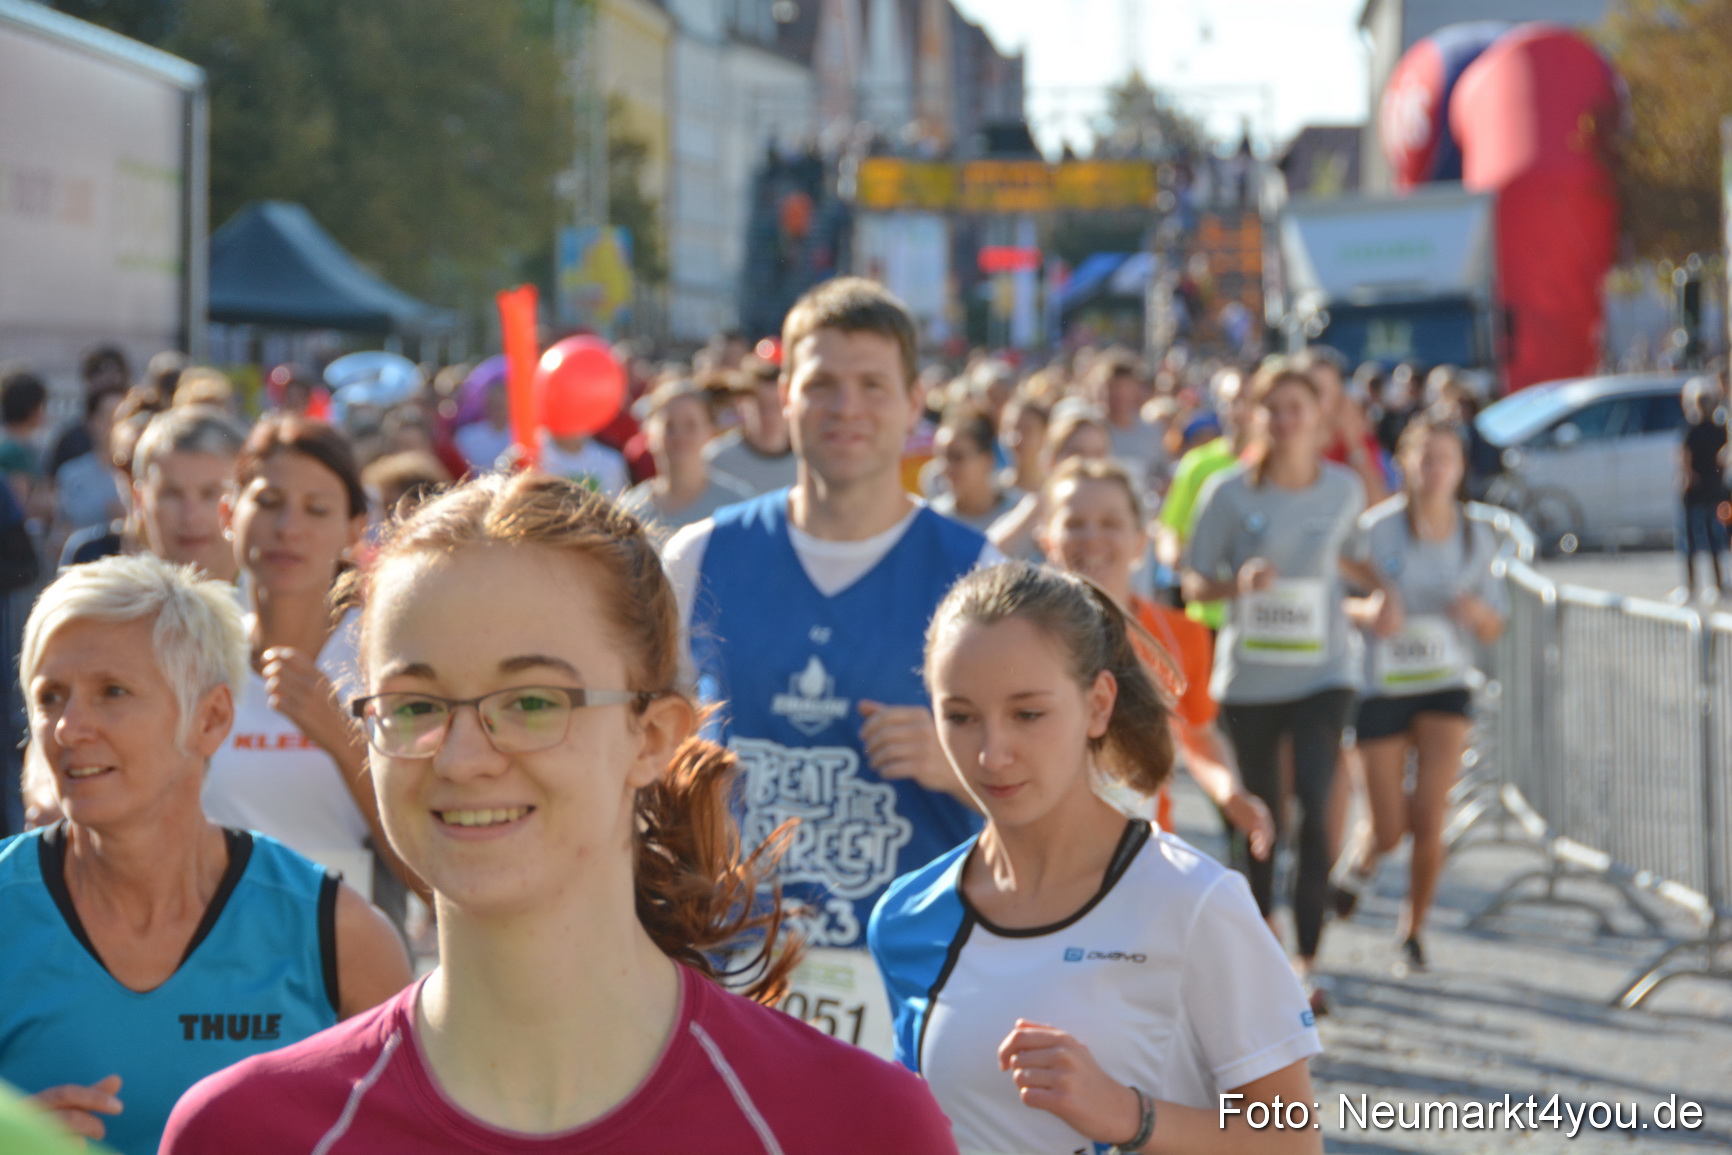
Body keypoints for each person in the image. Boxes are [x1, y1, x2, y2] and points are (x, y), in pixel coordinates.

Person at [159, 472, 959, 1154]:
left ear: (653, 736)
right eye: (413, 704)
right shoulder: (247, 1132)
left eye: (534, 700)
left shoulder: (855, 1125)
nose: (463, 756)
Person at [870, 561, 1322, 1155]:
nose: (992, 753)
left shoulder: (1194, 902)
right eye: (960, 717)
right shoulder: (905, 918)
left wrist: (1130, 1115)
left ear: (1098, 704)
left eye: (1028, 713)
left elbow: (1293, 1137)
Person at [664, 277, 995, 1058]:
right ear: (785, 396)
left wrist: (956, 764)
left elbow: (1057, 791)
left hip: (919, 977)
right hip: (735, 969)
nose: (847, 406)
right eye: (822, 383)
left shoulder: (980, 572)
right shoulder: (698, 557)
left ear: (916, 403)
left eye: (873, 385)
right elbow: (636, 758)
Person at [0, 554, 409, 1155]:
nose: (68, 727)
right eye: (50, 697)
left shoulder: (338, 936)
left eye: (112, 692)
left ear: (212, 718)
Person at [1182, 358, 1385, 1010]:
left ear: (1318, 417)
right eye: (1274, 408)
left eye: (1298, 407)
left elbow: (1358, 560)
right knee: (1261, 817)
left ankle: (1308, 959)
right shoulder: (1228, 493)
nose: (1286, 419)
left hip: (1325, 672)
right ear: (1256, 417)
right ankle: (1260, 948)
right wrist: (1236, 584)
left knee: (1319, 805)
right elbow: (1192, 584)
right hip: (1251, 679)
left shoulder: (1343, 488)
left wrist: (1381, 592)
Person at [202, 416, 420, 907]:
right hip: (208, 953)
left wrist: (343, 740)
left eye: (317, 509)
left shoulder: (385, 659)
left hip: (345, 955)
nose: (288, 529)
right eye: (268, 502)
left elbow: (429, 877)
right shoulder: (191, 652)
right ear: (228, 513)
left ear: (354, 529)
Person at [1333, 417, 1505, 971]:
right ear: (1404, 463)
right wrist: (1369, 610)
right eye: (1424, 459)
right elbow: (1328, 594)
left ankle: (1413, 930)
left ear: (1460, 469)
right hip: (1381, 687)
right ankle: (1365, 854)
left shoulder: (1478, 534)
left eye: (1446, 460)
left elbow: (1494, 624)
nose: (1434, 471)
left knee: (1430, 818)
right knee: (1391, 828)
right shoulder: (1374, 529)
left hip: (1445, 686)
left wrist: (1478, 614)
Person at [1038, 457, 1273, 854]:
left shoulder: (1181, 636)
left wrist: (1230, 792)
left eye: (1110, 523)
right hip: (1048, 853)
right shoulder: (1018, 638)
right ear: (1047, 539)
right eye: (1075, 523)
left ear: (1140, 543)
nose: (1092, 537)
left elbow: (1198, 736)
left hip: (1144, 854)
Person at [1156, 367, 1256, 633]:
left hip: (1257, 616)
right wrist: (1175, 555)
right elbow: (1170, 528)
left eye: (1249, 400)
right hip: (1205, 616)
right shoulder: (1197, 463)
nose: (1238, 410)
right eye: (1230, 401)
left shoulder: (1275, 465)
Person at [129, 406, 247, 583]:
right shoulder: (108, 607)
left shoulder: (290, 605)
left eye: (209, 494)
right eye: (172, 494)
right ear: (139, 500)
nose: (191, 517)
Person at [617, 381, 751, 532]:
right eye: (670, 425)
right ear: (649, 433)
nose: (680, 435)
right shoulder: (630, 511)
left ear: (710, 432)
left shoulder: (736, 506)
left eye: (690, 425)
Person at [703, 355, 798, 496]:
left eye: (776, 405)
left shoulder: (810, 459)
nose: (769, 415)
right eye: (760, 405)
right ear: (742, 406)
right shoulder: (718, 460)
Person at [1676, 376, 1730, 602]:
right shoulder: (1719, 431)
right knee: (1714, 538)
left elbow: (1684, 459)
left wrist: (1685, 478)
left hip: (1694, 490)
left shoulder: (1691, 431)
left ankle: (1690, 587)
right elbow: (1722, 459)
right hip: (1714, 489)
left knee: (1690, 539)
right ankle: (1717, 585)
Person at [930, 405, 1022, 534]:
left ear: (987, 460)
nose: (946, 468)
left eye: (957, 457)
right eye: (941, 458)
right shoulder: (932, 520)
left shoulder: (1020, 514)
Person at [452, 379, 512, 474]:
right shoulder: (466, 436)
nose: (498, 409)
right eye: (494, 403)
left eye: (502, 404)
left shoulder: (519, 435)